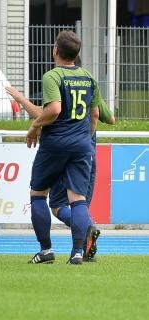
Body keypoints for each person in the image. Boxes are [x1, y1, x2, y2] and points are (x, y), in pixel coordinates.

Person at [6, 86, 114, 262]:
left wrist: (20, 98)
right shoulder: (90, 88)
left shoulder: (59, 87)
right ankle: (80, 250)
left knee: (57, 205)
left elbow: (44, 112)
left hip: (63, 152)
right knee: (80, 203)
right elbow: (110, 118)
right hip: (87, 155)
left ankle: (81, 232)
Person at [24, 30, 101, 265]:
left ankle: (46, 250)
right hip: (81, 145)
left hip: (55, 143)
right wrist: (83, 139)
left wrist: (34, 126)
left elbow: (54, 110)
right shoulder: (88, 77)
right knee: (77, 199)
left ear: (56, 50)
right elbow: (95, 115)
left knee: (38, 194)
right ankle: (77, 252)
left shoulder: (53, 76)